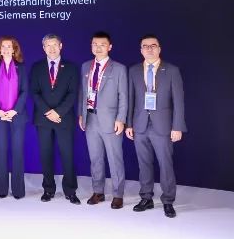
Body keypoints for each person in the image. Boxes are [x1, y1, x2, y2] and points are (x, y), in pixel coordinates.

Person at [126, 34, 186, 218]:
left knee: (166, 165)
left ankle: (168, 201)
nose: (149, 49)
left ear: (159, 49)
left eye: (153, 46)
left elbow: (179, 101)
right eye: (145, 46)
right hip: (140, 125)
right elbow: (131, 99)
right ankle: (146, 198)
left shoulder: (172, 70)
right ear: (141, 50)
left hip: (163, 126)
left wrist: (177, 126)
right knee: (144, 164)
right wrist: (129, 124)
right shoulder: (134, 70)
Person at [78, 31, 127, 209]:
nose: (98, 48)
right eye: (95, 44)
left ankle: (118, 194)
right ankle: (98, 191)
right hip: (90, 119)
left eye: (102, 44)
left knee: (115, 159)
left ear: (110, 47)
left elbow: (124, 96)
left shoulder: (119, 68)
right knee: (95, 158)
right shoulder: (85, 66)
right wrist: (81, 114)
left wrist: (121, 119)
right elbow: (82, 93)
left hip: (111, 121)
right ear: (91, 46)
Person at [30, 33, 80, 205]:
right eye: (48, 45)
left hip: (63, 118)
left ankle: (70, 191)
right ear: (43, 48)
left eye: (54, 45)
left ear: (61, 46)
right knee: (46, 155)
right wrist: (48, 112)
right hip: (43, 119)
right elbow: (34, 92)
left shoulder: (71, 68)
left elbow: (73, 94)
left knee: (67, 155)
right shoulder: (37, 67)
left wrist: (58, 112)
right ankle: (48, 189)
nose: (51, 48)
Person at [0, 36, 28, 199]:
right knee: (1, 152)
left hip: (17, 116)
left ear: (14, 49)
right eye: (3, 46)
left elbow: (25, 91)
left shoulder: (21, 67)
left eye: (9, 46)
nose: (5, 49)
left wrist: (15, 111)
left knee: (17, 152)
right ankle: (1, 189)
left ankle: (18, 191)